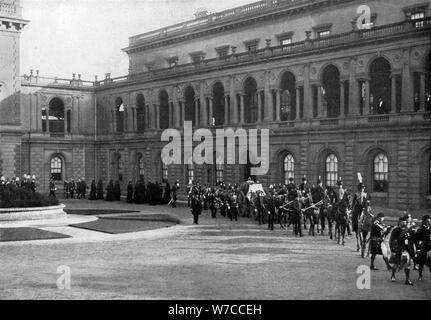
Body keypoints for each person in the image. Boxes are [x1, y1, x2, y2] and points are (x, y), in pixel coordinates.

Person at [389, 217, 415, 285]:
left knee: (407, 265)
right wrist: (393, 250)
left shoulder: (407, 230)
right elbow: (392, 240)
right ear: (400, 222)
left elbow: (410, 239)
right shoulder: (396, 230)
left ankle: (407, 280)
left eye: (405, 222)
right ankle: (393, 275)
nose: (405, 223)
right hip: (398, 249)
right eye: (403, 222)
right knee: (396, 264)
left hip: (406, 250)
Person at [415, 215, 431, 281]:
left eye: (430, 221)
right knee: (422, 262)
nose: (429, 222)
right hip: (423, 247)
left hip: (430, 247)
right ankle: (420, 275)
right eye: (428, 221)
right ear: (424, 222)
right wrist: (418, 248)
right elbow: (417, 240)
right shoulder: (420, 229)